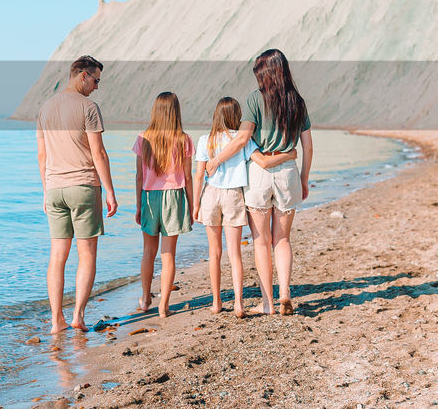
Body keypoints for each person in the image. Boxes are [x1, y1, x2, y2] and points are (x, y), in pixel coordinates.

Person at [205, 50, 312, 316]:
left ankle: (268, 303)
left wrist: (216, 159)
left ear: (264, 73)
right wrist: (304, 178)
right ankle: (285, 293)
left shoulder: (255, 99)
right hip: (288, 171)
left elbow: (242, 140)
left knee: (261, 241)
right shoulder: (297, 102)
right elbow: (307, 147)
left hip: (260, 173)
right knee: (283, 239)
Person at [191, 97, 297, 317]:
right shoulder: (244, 141)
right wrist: (291, 154)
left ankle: (216, 302)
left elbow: (199, 174)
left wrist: (195, 204)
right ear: (238, 117)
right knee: (235, 254)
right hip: (234, 196)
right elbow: (264, 162)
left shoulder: (204, 140)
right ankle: (239, 304)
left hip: (210, 195)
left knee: (214, 253)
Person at [37, 55, 117, 333]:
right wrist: (110, 190)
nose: (97, 87)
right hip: (83, 186)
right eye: (96, 80)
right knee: (87, 253)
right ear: (83, 75)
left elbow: (42, 155)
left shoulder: (45, 108)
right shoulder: (88, 107)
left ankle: (56, 320)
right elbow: (99, 153)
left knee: (57, 255)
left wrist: (46, 192)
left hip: (55, 189)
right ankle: (78, 317)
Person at [133, 91, 195, 318]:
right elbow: (187, 178)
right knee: (168, 254)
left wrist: (138, 206)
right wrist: (192, 204)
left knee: (148, 251)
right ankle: (164, 305)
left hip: (149, 197)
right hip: (174, 197)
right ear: (176, 111)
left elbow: (139, 177)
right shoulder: (183, 139)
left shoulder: (143, 138)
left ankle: (146, 298)